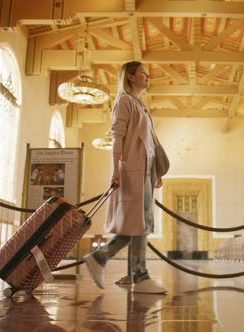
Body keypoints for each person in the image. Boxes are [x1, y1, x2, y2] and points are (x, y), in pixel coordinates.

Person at [82, 61, 168, 294]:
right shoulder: (124, 101)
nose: (147, 75)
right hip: (131, 170)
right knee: (140, 222)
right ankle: (138, 275)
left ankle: (110, 263)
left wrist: (155, 172)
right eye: (142, 72)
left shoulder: (141, 105)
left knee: (140, 222)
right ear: (130, 77)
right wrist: (116, 169)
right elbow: (117, 136)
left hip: (145, 171)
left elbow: (150, 143)